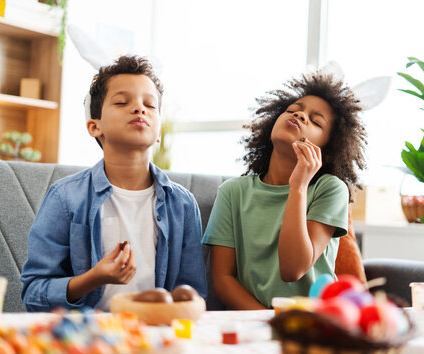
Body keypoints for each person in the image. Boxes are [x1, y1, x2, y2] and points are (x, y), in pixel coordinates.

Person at [21, 55, 206, 312]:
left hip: (156, 336)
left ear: (159, 133)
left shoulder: (183, 204)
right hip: (87, 339)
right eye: (122, 101)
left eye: (150, 105)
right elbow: (33, 293)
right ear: (95, 126)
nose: (140, 108)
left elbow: (192, 293)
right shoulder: (65, 197)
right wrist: (93, 278)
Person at [202, 68, 367, 310]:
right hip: (254, 322)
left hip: (314, 322)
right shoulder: (232, 192)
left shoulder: (330, 189)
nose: (300, 115)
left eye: (315, 121)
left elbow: (293, 269)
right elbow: (223, 280)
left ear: (327, 148)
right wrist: (268, 323)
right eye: (293, 110)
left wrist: (298, 186)